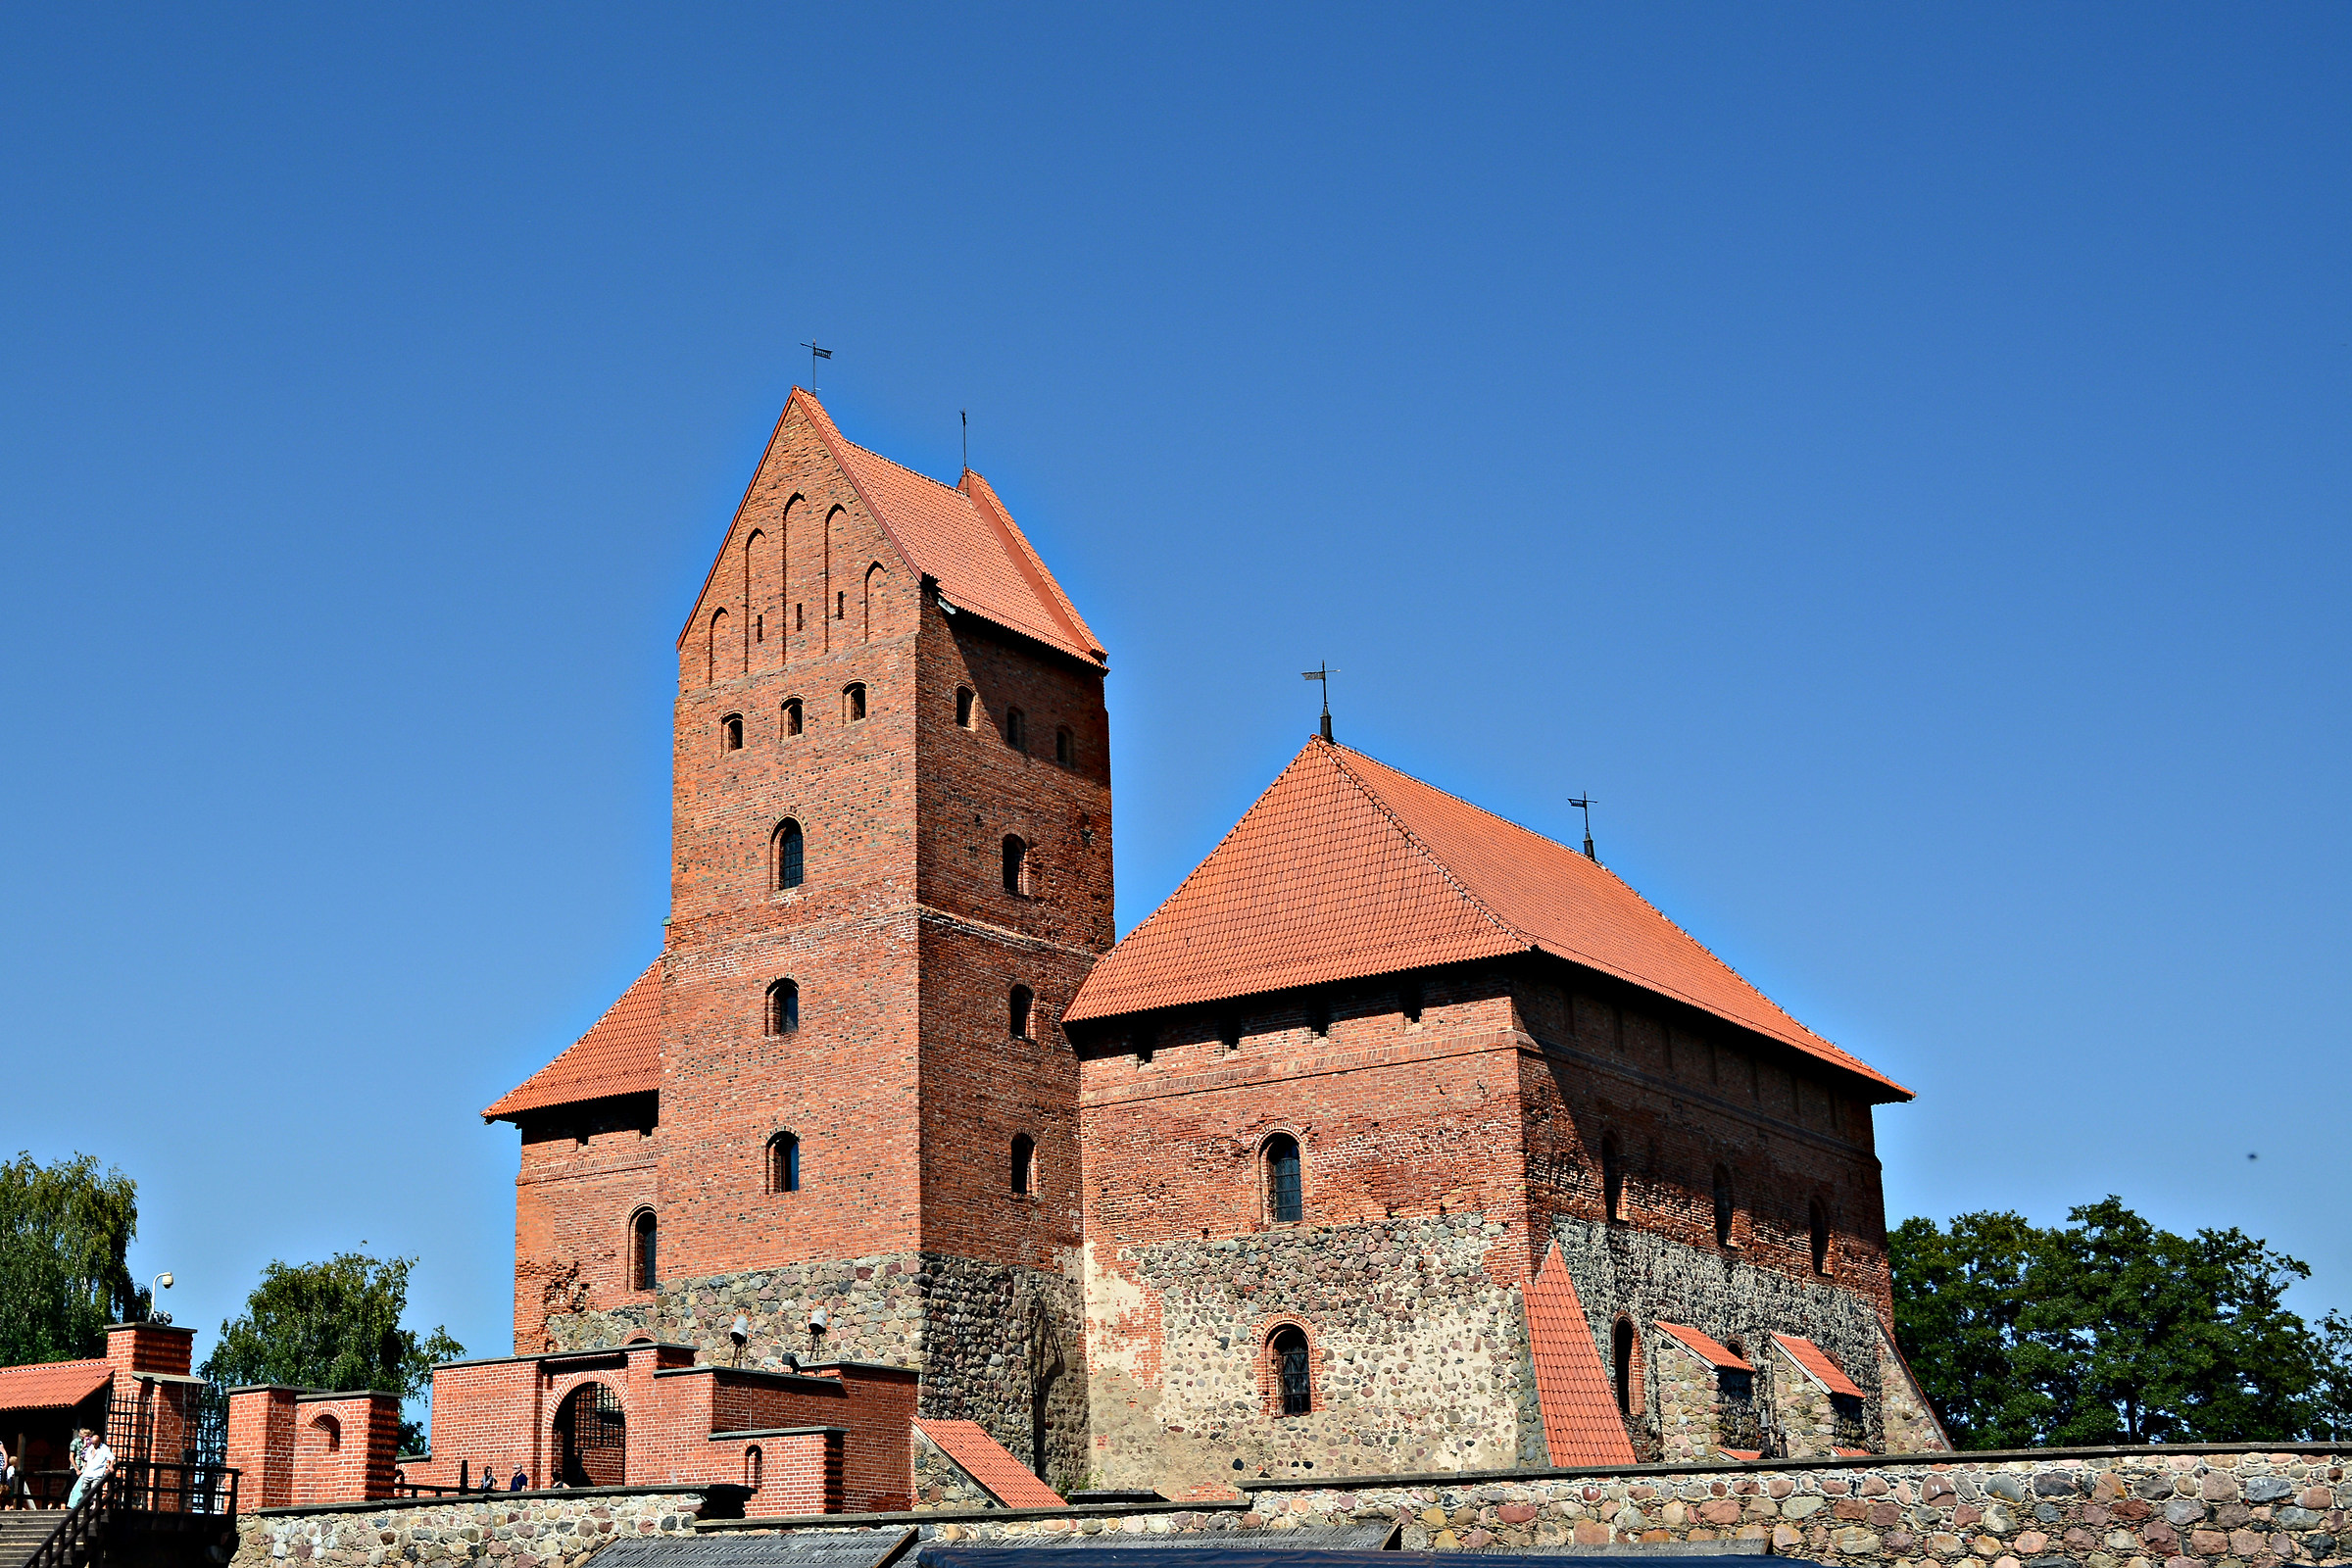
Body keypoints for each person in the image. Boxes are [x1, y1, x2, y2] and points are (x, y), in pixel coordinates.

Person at [65, 1430, 112, 1511]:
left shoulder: (99, 1447)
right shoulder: (77, 1443)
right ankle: (77, 1504)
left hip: (89, 1470)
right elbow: (74, 1456)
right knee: (80, 1488)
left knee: (92, 1487)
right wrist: (77, 1469)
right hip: (81, 1468)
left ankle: (89, 1504)